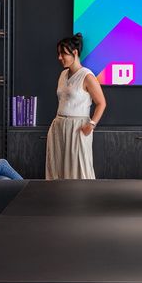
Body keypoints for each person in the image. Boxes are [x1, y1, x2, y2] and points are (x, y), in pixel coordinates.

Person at [46, 33, 107, 180]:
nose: (59, 57)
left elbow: (101, 103)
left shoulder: (87, 76)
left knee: (80, 166)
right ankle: (59, 199)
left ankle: (84, 200)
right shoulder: (62, 75)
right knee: (57, 167)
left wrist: (91, 125)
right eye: (59, 53)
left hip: (78, 127)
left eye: (63, 54)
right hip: (59, 125)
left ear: (74, 53)